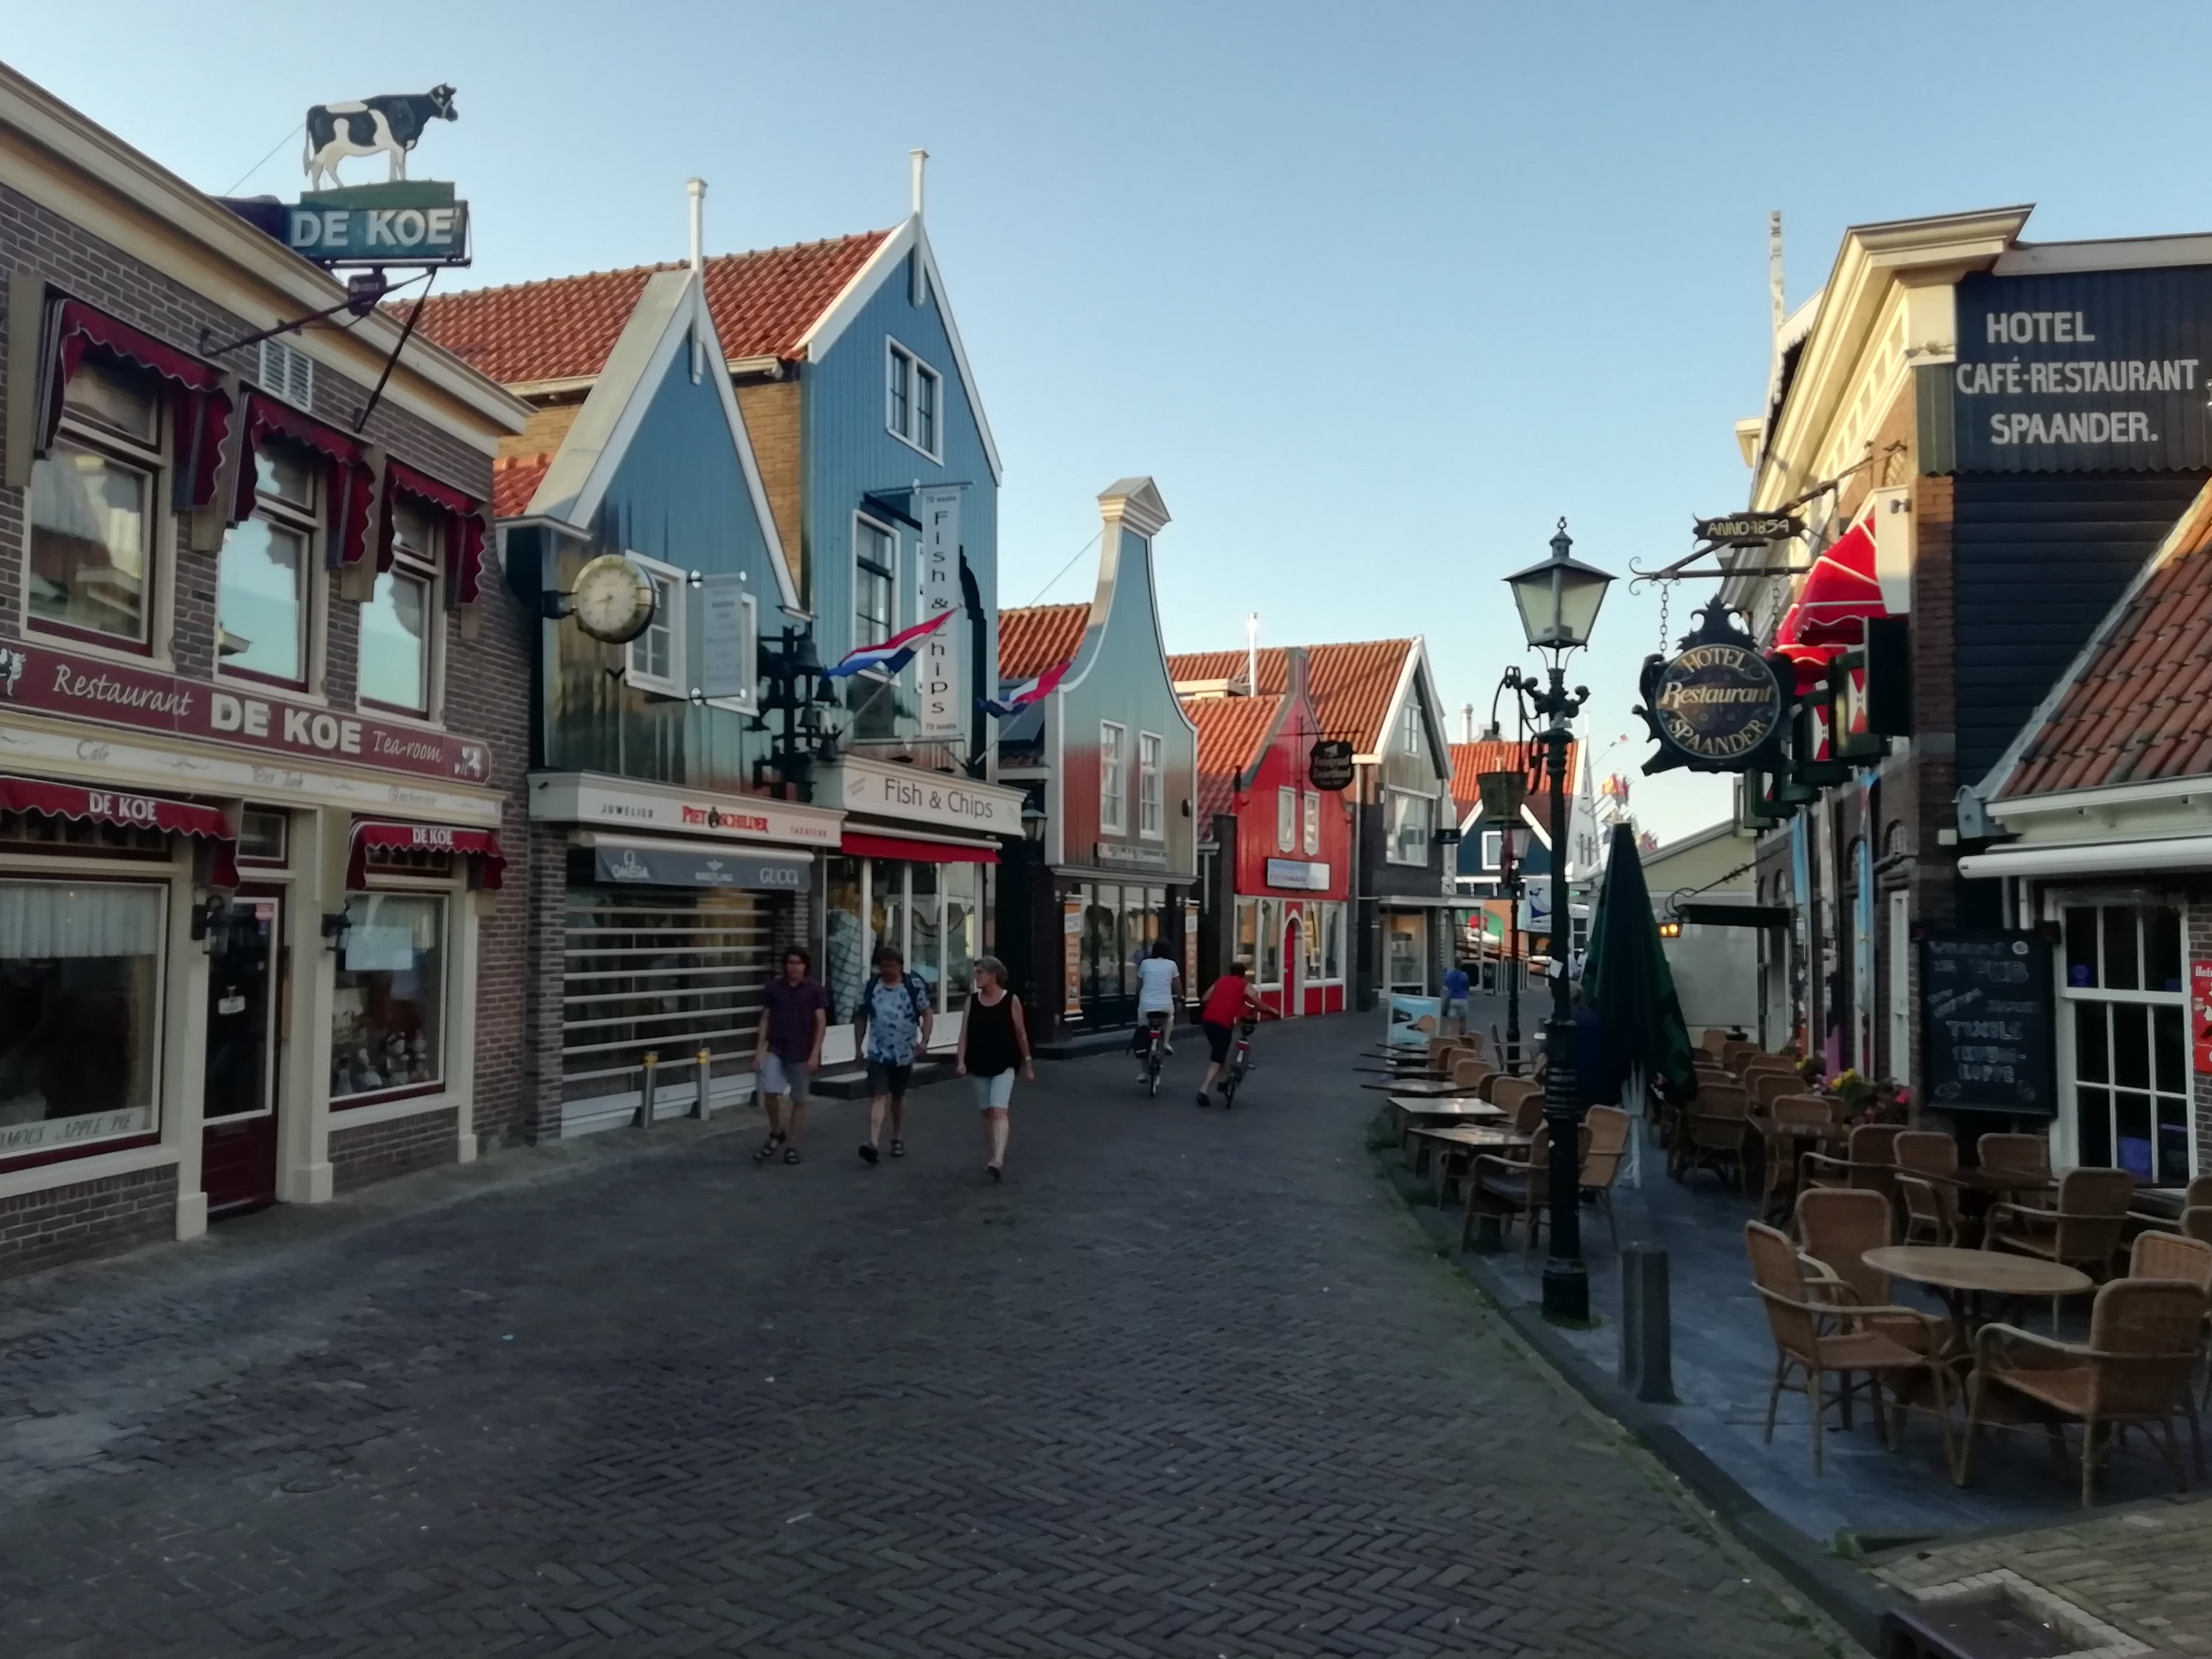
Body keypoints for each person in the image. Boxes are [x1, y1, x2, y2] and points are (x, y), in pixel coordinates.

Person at [853, 944, 933, 1166]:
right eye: (884, 966)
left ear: (900, 966)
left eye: (892, 966)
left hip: (904, 1052)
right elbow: (861, 1017)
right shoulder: (871, 987)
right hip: (878, 1053)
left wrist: (924, 1041)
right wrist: (858, 1047)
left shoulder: (912, 985)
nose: (888, 970)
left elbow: (927, 1013)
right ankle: (873, 1142)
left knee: (897, 1096)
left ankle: (897, 1136)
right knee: (878, 1095)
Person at [955, 954, 1032, 1181]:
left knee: (998, 1109)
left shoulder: (1011, 1000)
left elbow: (1021, 1033)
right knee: (987, 1112)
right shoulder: (972, 1001)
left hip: (1004, 1062)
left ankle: (998, 1158)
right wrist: (960, 1060)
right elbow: (964, 1033)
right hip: (978, 1062)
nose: (976, 977)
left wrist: (1027, 1062)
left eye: (980, 972)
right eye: (976, 973)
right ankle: (994, 1151)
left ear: (994, 974)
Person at [752, 945, 827, 1164]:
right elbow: (765, 1019)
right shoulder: (774, 988)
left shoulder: (815, 990)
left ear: (805, 966)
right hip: (776, 1047)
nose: (793, 967)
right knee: (770, 1091)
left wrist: (815, 1053)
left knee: (799, 1099)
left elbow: (821, 1023)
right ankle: (777, 1131)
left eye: (798, 963)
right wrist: (759, 1051)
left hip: (801, 1050)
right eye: (790, 962)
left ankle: (792, 1146)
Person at [1194, 958, 1269, 1106]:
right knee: (1217, 1058)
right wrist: (1272, 1011)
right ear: (1244, 974)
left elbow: (1204, 999)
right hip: (1223, 1023)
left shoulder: (1220, 981)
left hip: (1207, 1020)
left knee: (1219, 1052)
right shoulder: (1244, 985)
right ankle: (1203, 1090)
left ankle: (1224, 1080)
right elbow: (1258, 1003)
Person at [1131, 939, 1182, 1082]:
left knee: (1143, 1034)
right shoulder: (1172, 965)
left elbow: (1139, 985)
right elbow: (1177, 986)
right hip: (1165, 1005)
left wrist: (1137, 995)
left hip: (1146, 1005)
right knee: (1170, 1017)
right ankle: (1166, 1043)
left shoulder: (1145, 963)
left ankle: (1144, 1072)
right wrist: (1181, 997)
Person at [1441, 960, 1470, 1035]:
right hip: (1462, 999)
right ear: (1461, 965)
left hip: (1452, 999)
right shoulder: (1464, 975)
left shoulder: (1449, 975)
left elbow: (1446, 984)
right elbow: (1467, 987)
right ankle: (1462, 1037)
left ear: (1454, 964)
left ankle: (1449, 1037)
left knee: (1451, 1022)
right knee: (1462, 1020)